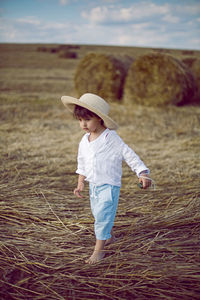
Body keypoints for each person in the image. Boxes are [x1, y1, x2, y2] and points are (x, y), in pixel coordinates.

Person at [61, 93, 151, 264]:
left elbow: (129, 155)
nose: (83, 124)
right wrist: (80, 182)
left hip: (109, 186)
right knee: (99, 215)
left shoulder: (111, 138)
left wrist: (142, 172)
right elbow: (82, 162)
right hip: (94, 186)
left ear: (100, 118)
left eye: (87, 120)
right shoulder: (84, 140)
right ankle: (108, 237)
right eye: (80, 120)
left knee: (102, 216)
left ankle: (99, 251)